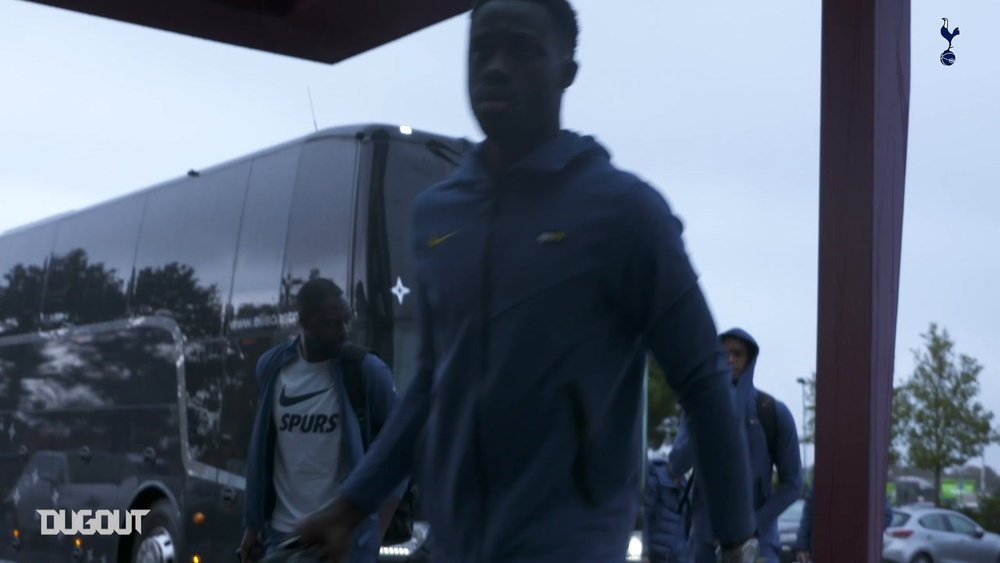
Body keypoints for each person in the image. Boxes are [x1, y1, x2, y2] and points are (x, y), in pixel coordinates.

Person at [295, 1, 760, 561]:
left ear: (568, 71)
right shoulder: (437, 215)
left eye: (522, 49)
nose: (494, 66)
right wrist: (351, 507)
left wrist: (736, 541)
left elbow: (704, 381)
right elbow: (429, 384)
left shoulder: (625, 213)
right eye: (482, 49)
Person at [237, 278, 404, 563]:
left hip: (342, 540)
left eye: (346, 321)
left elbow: (400, 450)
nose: (343, 331)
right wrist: (252, 527)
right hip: (282, 538)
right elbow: (262, 453)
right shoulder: (272, 367)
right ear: (304, 321)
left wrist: (375, 529)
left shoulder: (366, 370)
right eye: (332, 324)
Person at [669, 328, 803, 563]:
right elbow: (678, 464)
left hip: (758, 545)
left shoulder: (772, 412)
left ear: (749, 359)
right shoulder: (695, 409)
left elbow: (793, 485)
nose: (730, 359)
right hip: (704, 546)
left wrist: (751, 525)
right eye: (722, 354)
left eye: (737, 353)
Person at [794, 483, 894, 562]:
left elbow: (886, 516)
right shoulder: (821, 482)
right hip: (827, 551)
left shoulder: (867, 482)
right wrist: (802, 547)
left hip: (853, 551)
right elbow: (807, 519)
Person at [644, 456, 691, 563]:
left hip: (680, 556)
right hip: (657, 555)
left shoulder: (686, 485)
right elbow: (645, 518)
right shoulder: (655, 481)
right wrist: (644, 553)